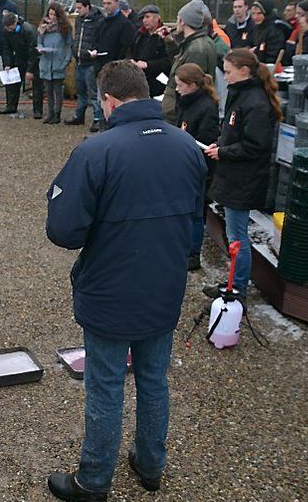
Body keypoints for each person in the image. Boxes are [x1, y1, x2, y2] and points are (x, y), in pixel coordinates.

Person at [45, 61, 206, 501]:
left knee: (106, 385)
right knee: (154, 380)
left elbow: (63, 231)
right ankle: (151, 463)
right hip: (165, 285)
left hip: (111, 289)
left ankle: (94, 479)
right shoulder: (187, 146)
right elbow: (196, 219)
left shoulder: (96, 151)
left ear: (109, 100)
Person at [203, 48, 281, 303]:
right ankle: (233, 283)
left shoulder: (255, 102)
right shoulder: (242, 96)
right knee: (233, 234)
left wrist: (224, 152)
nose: (224, 78)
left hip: (243, 180)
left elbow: (257, 145)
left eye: (227, 72)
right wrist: (220, 145)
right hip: (233, 176)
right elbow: (234, 133)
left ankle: (237, 291)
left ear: (244, 70)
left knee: (238, 238)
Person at [174, 63, 220, 271]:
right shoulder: (185, 101)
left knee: (195, 213)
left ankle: (193, 253)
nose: (177, 89)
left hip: (197, 167)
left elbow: (205, 140)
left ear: (192, 85)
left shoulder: (206, 107)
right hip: (183, 164)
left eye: (180, 85)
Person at [161, 0, 218, 124]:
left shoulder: (196, 50)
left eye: (178, 18)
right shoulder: (197, 43)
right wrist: (170, 42)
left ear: (183, 21)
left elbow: (190, 84)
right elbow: (180, 65)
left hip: (179, 114)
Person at [66, 0, 104, 130]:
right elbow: (77, 37)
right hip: (79, 60)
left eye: (79, 8)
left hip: (91, 62)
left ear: (87, 7)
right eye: (76, 8)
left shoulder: (98, 21)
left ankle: (98, 118)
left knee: (93, 93)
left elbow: (100, 39)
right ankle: (79, 115)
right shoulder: (79, 20)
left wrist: (94, 51)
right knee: (80, 91)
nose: (77, 11)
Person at [0, 12, 41, 117]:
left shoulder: (28, 30)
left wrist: (30, 69)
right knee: (12, 83)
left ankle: (37, 110)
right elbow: (6, 48)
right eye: (7, 28)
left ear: (15, 22)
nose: (9, 30)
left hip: (32, 58)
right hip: (18, 58)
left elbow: (33, 50)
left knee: (37, 85)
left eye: (10, 27)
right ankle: (11, 106)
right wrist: (7, 63)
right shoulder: (6, 31)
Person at [37, 3, 73, 124]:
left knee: (57, 90)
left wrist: (65, 61)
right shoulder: (43, 28)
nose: (51, 17)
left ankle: (57, 113)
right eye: (50, 14)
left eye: (54, 14)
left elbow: (69, 46)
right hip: (46, 61)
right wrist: (41, 49)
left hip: (58, 62)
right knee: (48, 90)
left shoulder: (65, 28)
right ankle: (50, 113)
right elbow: (39, 42)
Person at [131, 5, 172, 98]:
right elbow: (131, 51)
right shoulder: (139, 35)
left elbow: (169, 61)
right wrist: (131, 61)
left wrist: (148, 65)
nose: (144, 20)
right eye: (143, 18)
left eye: (147, 17)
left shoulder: (165, 36)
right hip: (141, 82)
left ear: (157, 18)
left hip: (159, 83)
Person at [249, 0, 287, 65]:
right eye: (253, 13)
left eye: (259, 13)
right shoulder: (256, 28)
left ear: (267, 13)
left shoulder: (275, 29)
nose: (255, 17)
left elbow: (273, 55)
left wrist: (255, 52)